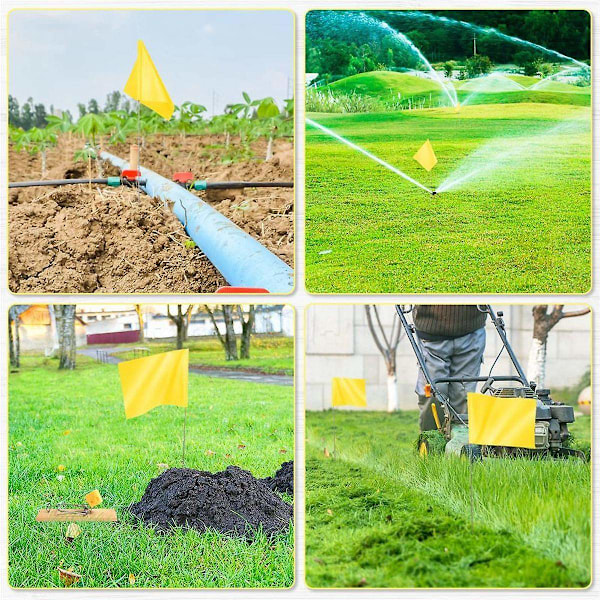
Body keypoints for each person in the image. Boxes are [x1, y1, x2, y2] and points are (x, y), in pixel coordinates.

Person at [413, 305, 487, 431]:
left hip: (471, 331)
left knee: (463, 394)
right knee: (434, 395)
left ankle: (459, 443)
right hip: (431, 333)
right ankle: (431, 442)